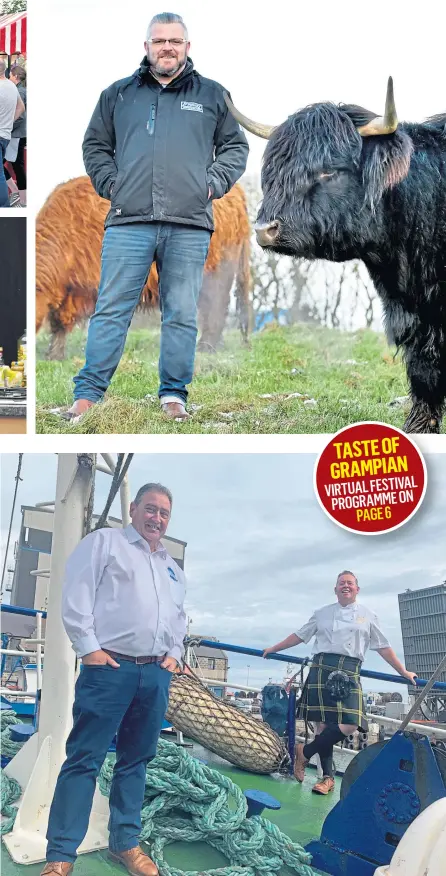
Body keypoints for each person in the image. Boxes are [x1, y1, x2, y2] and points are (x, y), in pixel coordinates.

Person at [63, 11, 248, 424]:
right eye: (159, 40)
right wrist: (112, 184)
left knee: (181, 313)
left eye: (175, 41)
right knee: (111, 308)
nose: (167, 47)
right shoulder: (118, 95)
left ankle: (173, 396)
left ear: (187, 47)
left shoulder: (214, 96)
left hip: (189, 225)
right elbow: (95, 146)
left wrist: (214, 181)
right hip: (129, 223)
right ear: (146, 46)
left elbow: (236, 149)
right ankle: (88, 395)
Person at [41, 483, 186, 876]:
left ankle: (125, 844)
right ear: (134, 509)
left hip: (154, 674)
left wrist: (175, 655)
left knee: (135, 761)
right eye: (151, 509)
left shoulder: (171, 568)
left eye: (164, 513)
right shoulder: (105, 543)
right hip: (110, 669)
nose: (157, 518)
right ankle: (61, 855)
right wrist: (89, 648)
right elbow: (77, 594)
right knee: (84, 758)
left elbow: (178, 619)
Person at [263, 570, 417, 795]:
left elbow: (383, 646)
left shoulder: (368, 615)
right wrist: (274, 648)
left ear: (357, 589)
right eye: (341, 583)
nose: (346, 586)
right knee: (323, 726)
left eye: (350, 583)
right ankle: (326, 778)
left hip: (350, 669)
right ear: (335, 589)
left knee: (351, 723)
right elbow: (299, 635)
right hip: (323, 667)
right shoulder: (322, 613)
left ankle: (303, 752)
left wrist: (402, 671)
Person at [0, 60, 25, 207]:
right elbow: (20, 107)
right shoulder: (11, 86)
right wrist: (9, 122)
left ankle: (4, 207)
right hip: (5, 135)